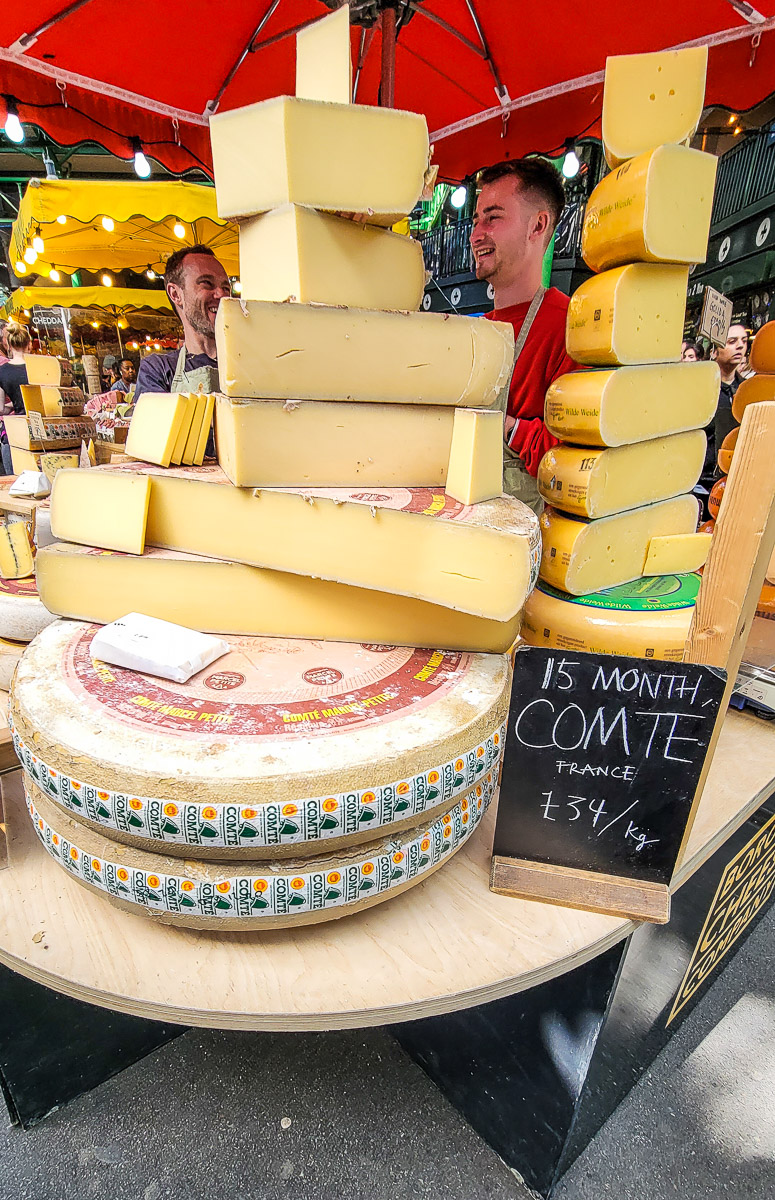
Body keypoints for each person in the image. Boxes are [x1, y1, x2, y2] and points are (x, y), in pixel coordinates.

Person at [470, 158, 576, 512]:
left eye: (493, 217)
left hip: (529, 545)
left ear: (538, 226)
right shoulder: (476, 330)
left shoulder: (569, 327)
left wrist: (503, 426)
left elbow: (573, 461)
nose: (476, 234)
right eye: (476, 219)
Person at [134, 245, 231, 400]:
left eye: (226, 288)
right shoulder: (158, 369)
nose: (222, 295)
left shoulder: (245, 364)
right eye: (207, 283)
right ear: (176, 294)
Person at [0, 322, 32, 475]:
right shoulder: (40, 366)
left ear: (9, 345)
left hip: (15, 433)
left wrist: (14, 404)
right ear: (29, 344)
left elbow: (1, 409)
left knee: (17, 481)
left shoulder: (2, 372)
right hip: (42, 430)